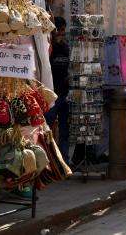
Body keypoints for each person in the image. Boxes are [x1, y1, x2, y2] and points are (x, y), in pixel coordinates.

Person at [45, 17, 70, 163]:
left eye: (63, 31)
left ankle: (64, 161)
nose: (61, 33)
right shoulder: (49, 49)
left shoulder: (66, 48)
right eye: (59, 30)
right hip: (52, 95)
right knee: (47, 129)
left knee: (64, 131)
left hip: (65, 95)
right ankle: (48, 161)